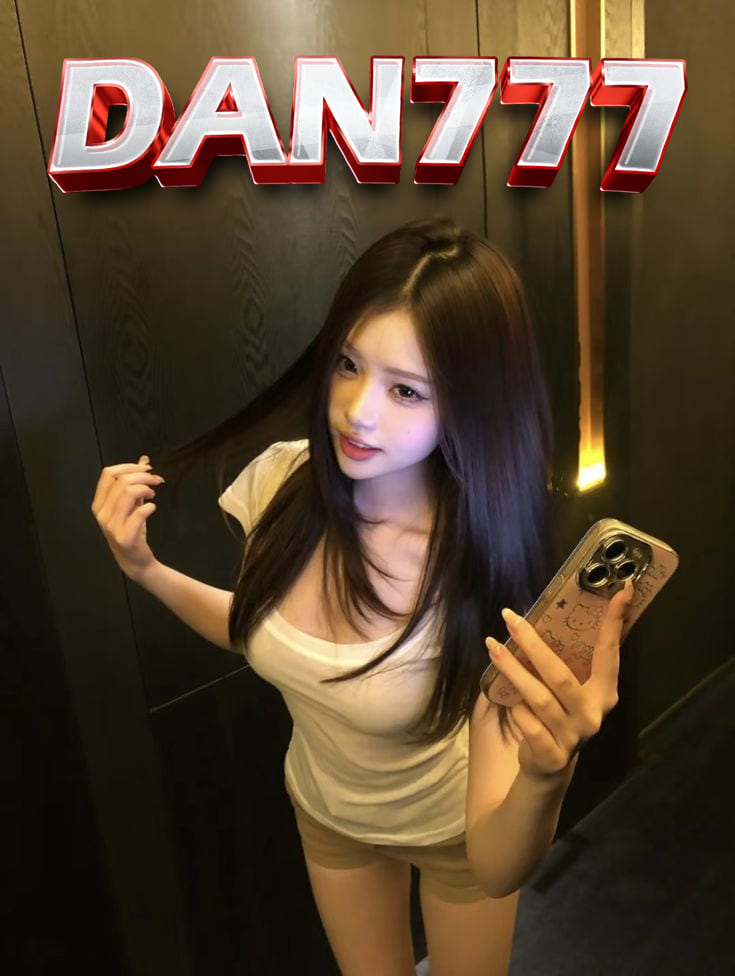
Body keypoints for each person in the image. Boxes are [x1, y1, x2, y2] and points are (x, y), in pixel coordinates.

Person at [91, 217, 633, 976]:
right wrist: (144, 568)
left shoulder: (478, 566)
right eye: (347, 364)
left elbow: (496, 863)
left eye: (406, 389)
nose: (356, 410)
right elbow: (256, 628)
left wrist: (546, 774)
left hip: (454, 832)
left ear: (469, 403)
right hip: (327, 815)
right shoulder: (281, 483)